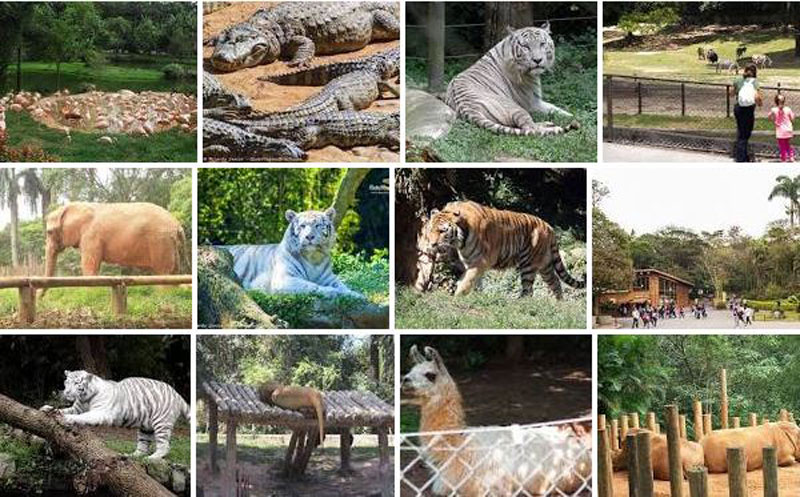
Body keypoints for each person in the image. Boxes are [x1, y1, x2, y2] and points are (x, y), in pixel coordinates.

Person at [730, 63, 763, 162]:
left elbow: (731, 94)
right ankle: (741, 158)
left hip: (738, 108)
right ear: (754, 72)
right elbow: (757, 97)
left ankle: (742, 155)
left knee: (740, 131)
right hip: (748, 110)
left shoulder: (738, 80)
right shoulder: (754, 82)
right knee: (746, 134)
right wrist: (760, 103)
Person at [768, 94, 795, 161]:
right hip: (788, 129)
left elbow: (769, 116)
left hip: (780, 130)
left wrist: (774, 120)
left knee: (782, 145)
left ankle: (784, 158)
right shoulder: (788, 109)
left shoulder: (774, 109)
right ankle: (791, 156)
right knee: (788, 144)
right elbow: (792, 118)